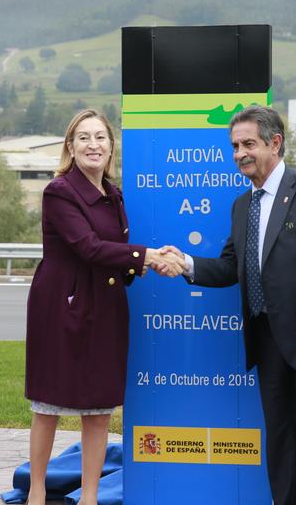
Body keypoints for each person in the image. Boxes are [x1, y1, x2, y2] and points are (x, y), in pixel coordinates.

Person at [159, 105, 296, 505]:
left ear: (275, 143)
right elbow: (232, 267)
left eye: (248, 143)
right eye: (234, 146)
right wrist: (186, 264)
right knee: (282, 445)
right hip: (266, 342)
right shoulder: (241, 206)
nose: (239, 153)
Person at [24, 109, 181, 505]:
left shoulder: (114, 193)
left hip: (106, 307)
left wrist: (144, 265)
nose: (93, 145)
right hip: (63, 306)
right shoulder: (59, 191)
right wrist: (146, 256)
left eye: (100, 138)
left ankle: (90, 497)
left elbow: (114, 255)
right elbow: (87, 247)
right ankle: (37, 492)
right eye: (84, 138)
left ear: (111, 147)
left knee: (99, 407)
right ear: (70, 147)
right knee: (49, 404)